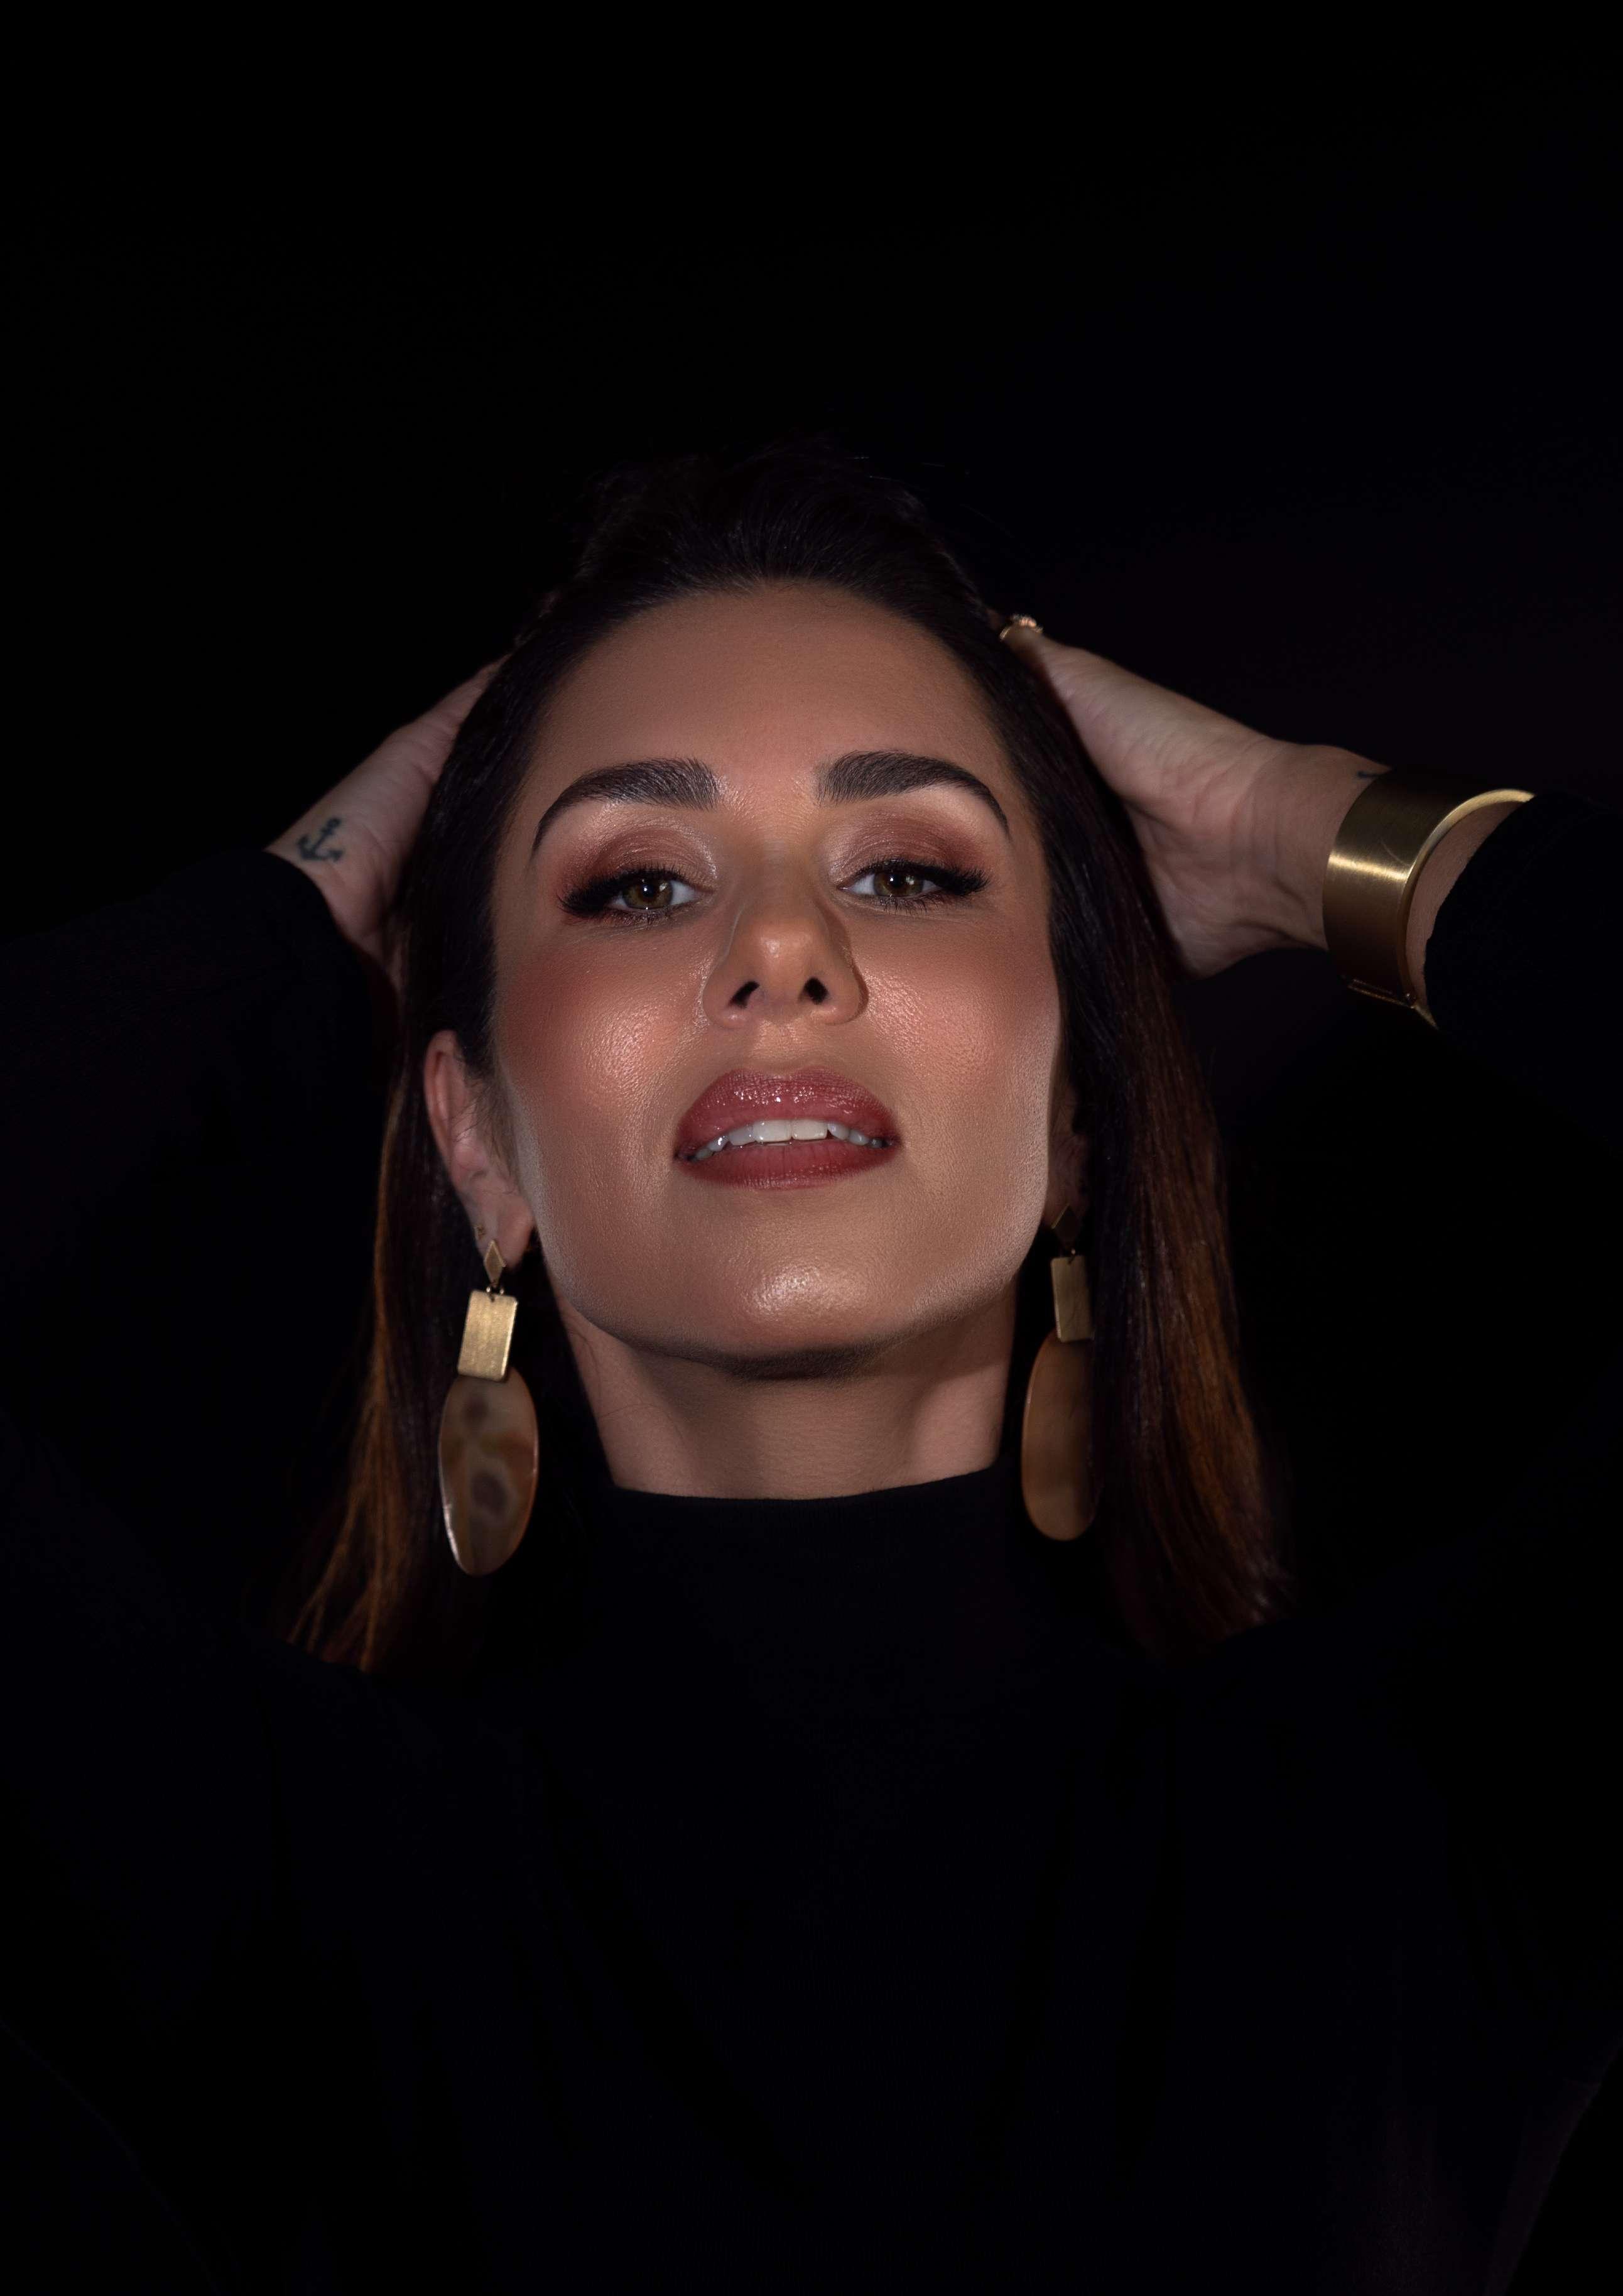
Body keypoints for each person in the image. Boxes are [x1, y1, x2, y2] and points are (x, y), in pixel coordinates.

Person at [1, 438, 1617, 2293]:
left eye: (910, 869)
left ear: (1078, 1121)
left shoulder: (1411, 1823)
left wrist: (1296, 826)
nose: (782, 948)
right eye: (636, 886)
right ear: (477, 1144)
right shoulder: (251, 1868)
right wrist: (298, 918)